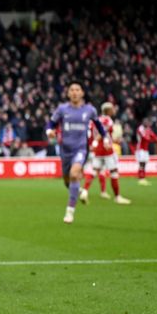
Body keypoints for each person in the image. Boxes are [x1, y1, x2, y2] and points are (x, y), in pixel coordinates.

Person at [45, 81, 109, 224]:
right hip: (65, 150)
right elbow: (51, 123)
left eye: (77, 90)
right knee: (67, 181)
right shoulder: (62, 109)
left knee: (75, 174)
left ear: (82, 93)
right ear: (68, 93)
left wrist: (105, 138)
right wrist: (49, 131)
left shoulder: (90, 110)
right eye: (72, 90)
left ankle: (70, 212)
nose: (74, 92)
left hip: (80, 149)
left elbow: (99, 125)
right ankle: (79, 191)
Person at [80, 102, 130, 205]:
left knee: (94, 171)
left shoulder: (95, 120)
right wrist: (105, 141)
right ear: (108, 110)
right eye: (112, 108)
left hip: (97, 150)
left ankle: (85, 191)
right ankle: (117, 197)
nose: (114, 110)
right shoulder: (108, 120)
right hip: (106, 149)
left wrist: (92, 143)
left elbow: (90, 133)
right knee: (114, 172)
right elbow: (102, 133)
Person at [135, 118, 157, 186]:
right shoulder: (140, 129)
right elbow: (145, 138)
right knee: (141, 163)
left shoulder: (148, 129)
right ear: (143, 122)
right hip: (140, 149)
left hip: (145, 149)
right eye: (146, 122)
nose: (147, 124)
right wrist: (154, 139)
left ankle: (143, 178)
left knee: (144, 163)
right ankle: (140, 178)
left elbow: (153, 136)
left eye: (148, 122)